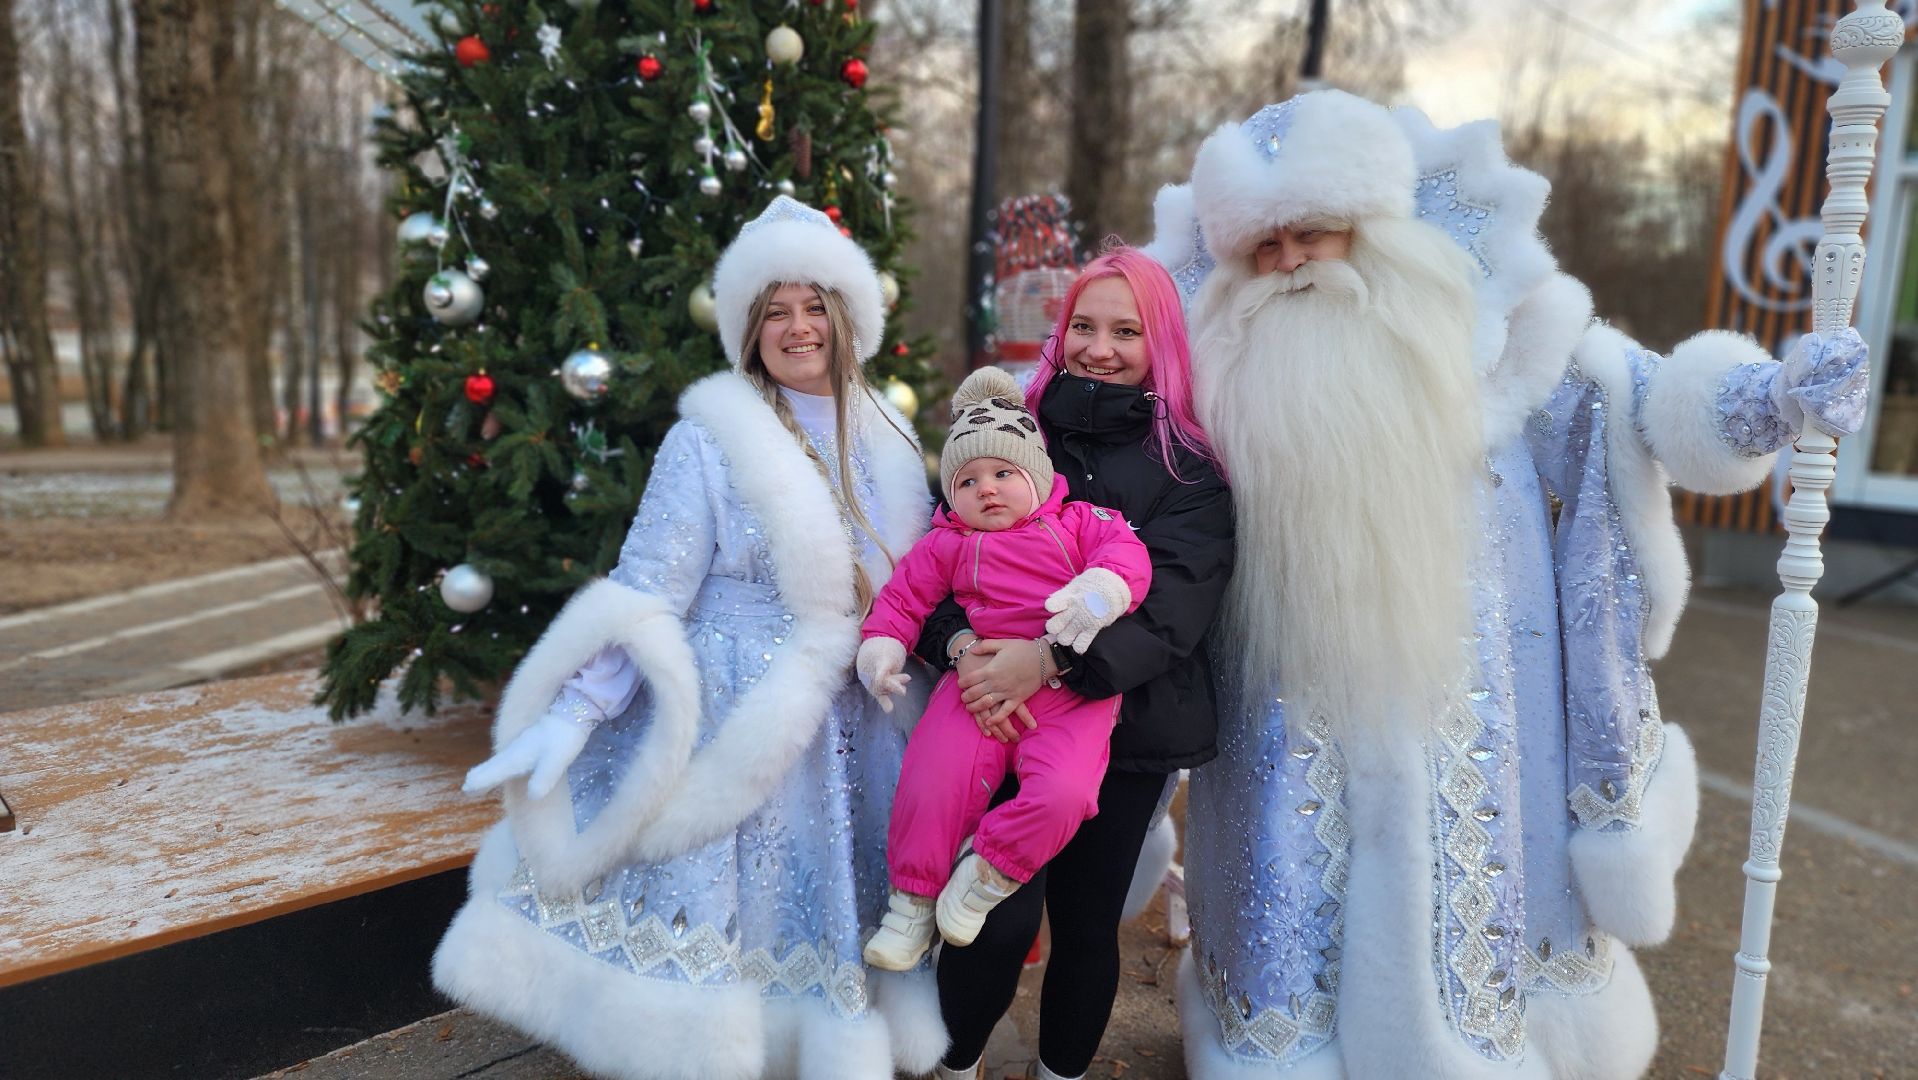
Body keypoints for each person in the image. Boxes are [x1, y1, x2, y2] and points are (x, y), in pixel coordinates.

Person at [1174, 90, 1871, 1079]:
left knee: (1469, 890)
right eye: (1263, 246)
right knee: (1290, 904)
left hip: (1469, 695)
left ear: (1371, 229)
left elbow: (1639, 398)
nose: (1287, 264)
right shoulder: (1208, 365)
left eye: (1310, 234)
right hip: (1284, 706)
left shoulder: (1499, 327)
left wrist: (1770, 397)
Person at [432, 197, 949, 1080]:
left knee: (824, 906)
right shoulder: (707, 438)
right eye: (775, 311)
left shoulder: (889, 434)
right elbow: (648, 592)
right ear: (750, 329)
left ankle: (809, 1047)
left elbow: (928, 573)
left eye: (814, 306)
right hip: (734, 708)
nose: (797, 328)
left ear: (846, 316)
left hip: (856, 718)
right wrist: (576, 710)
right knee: (723, 899)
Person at [916, 247, 1236, 1080]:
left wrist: (1050, 660)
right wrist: (958, 646)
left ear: (1160, 342)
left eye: (1126, 331)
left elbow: (1173, 611)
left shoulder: (1189, 468)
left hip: (1132, 724)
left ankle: (1060, 1071)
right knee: (996, 917)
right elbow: (933, 566)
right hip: (1004, 719)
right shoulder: (1012, 436)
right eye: (1084, 327)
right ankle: (956, 1064)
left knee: (1088, 922)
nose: (1100, 348)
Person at [856, 365, 1153, 972]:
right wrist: (882, 648)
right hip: (979, 683)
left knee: (1065, 792)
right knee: (933, 779)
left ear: (1037, 476)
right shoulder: (946, 543)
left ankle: (987, 873)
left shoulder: (1079, 522)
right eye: (967, 481)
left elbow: (1127, 556)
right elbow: (903, 600)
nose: (986, 490)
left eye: (1003, 474)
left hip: (1071, 688)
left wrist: (1101, 590)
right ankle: (911, 905)